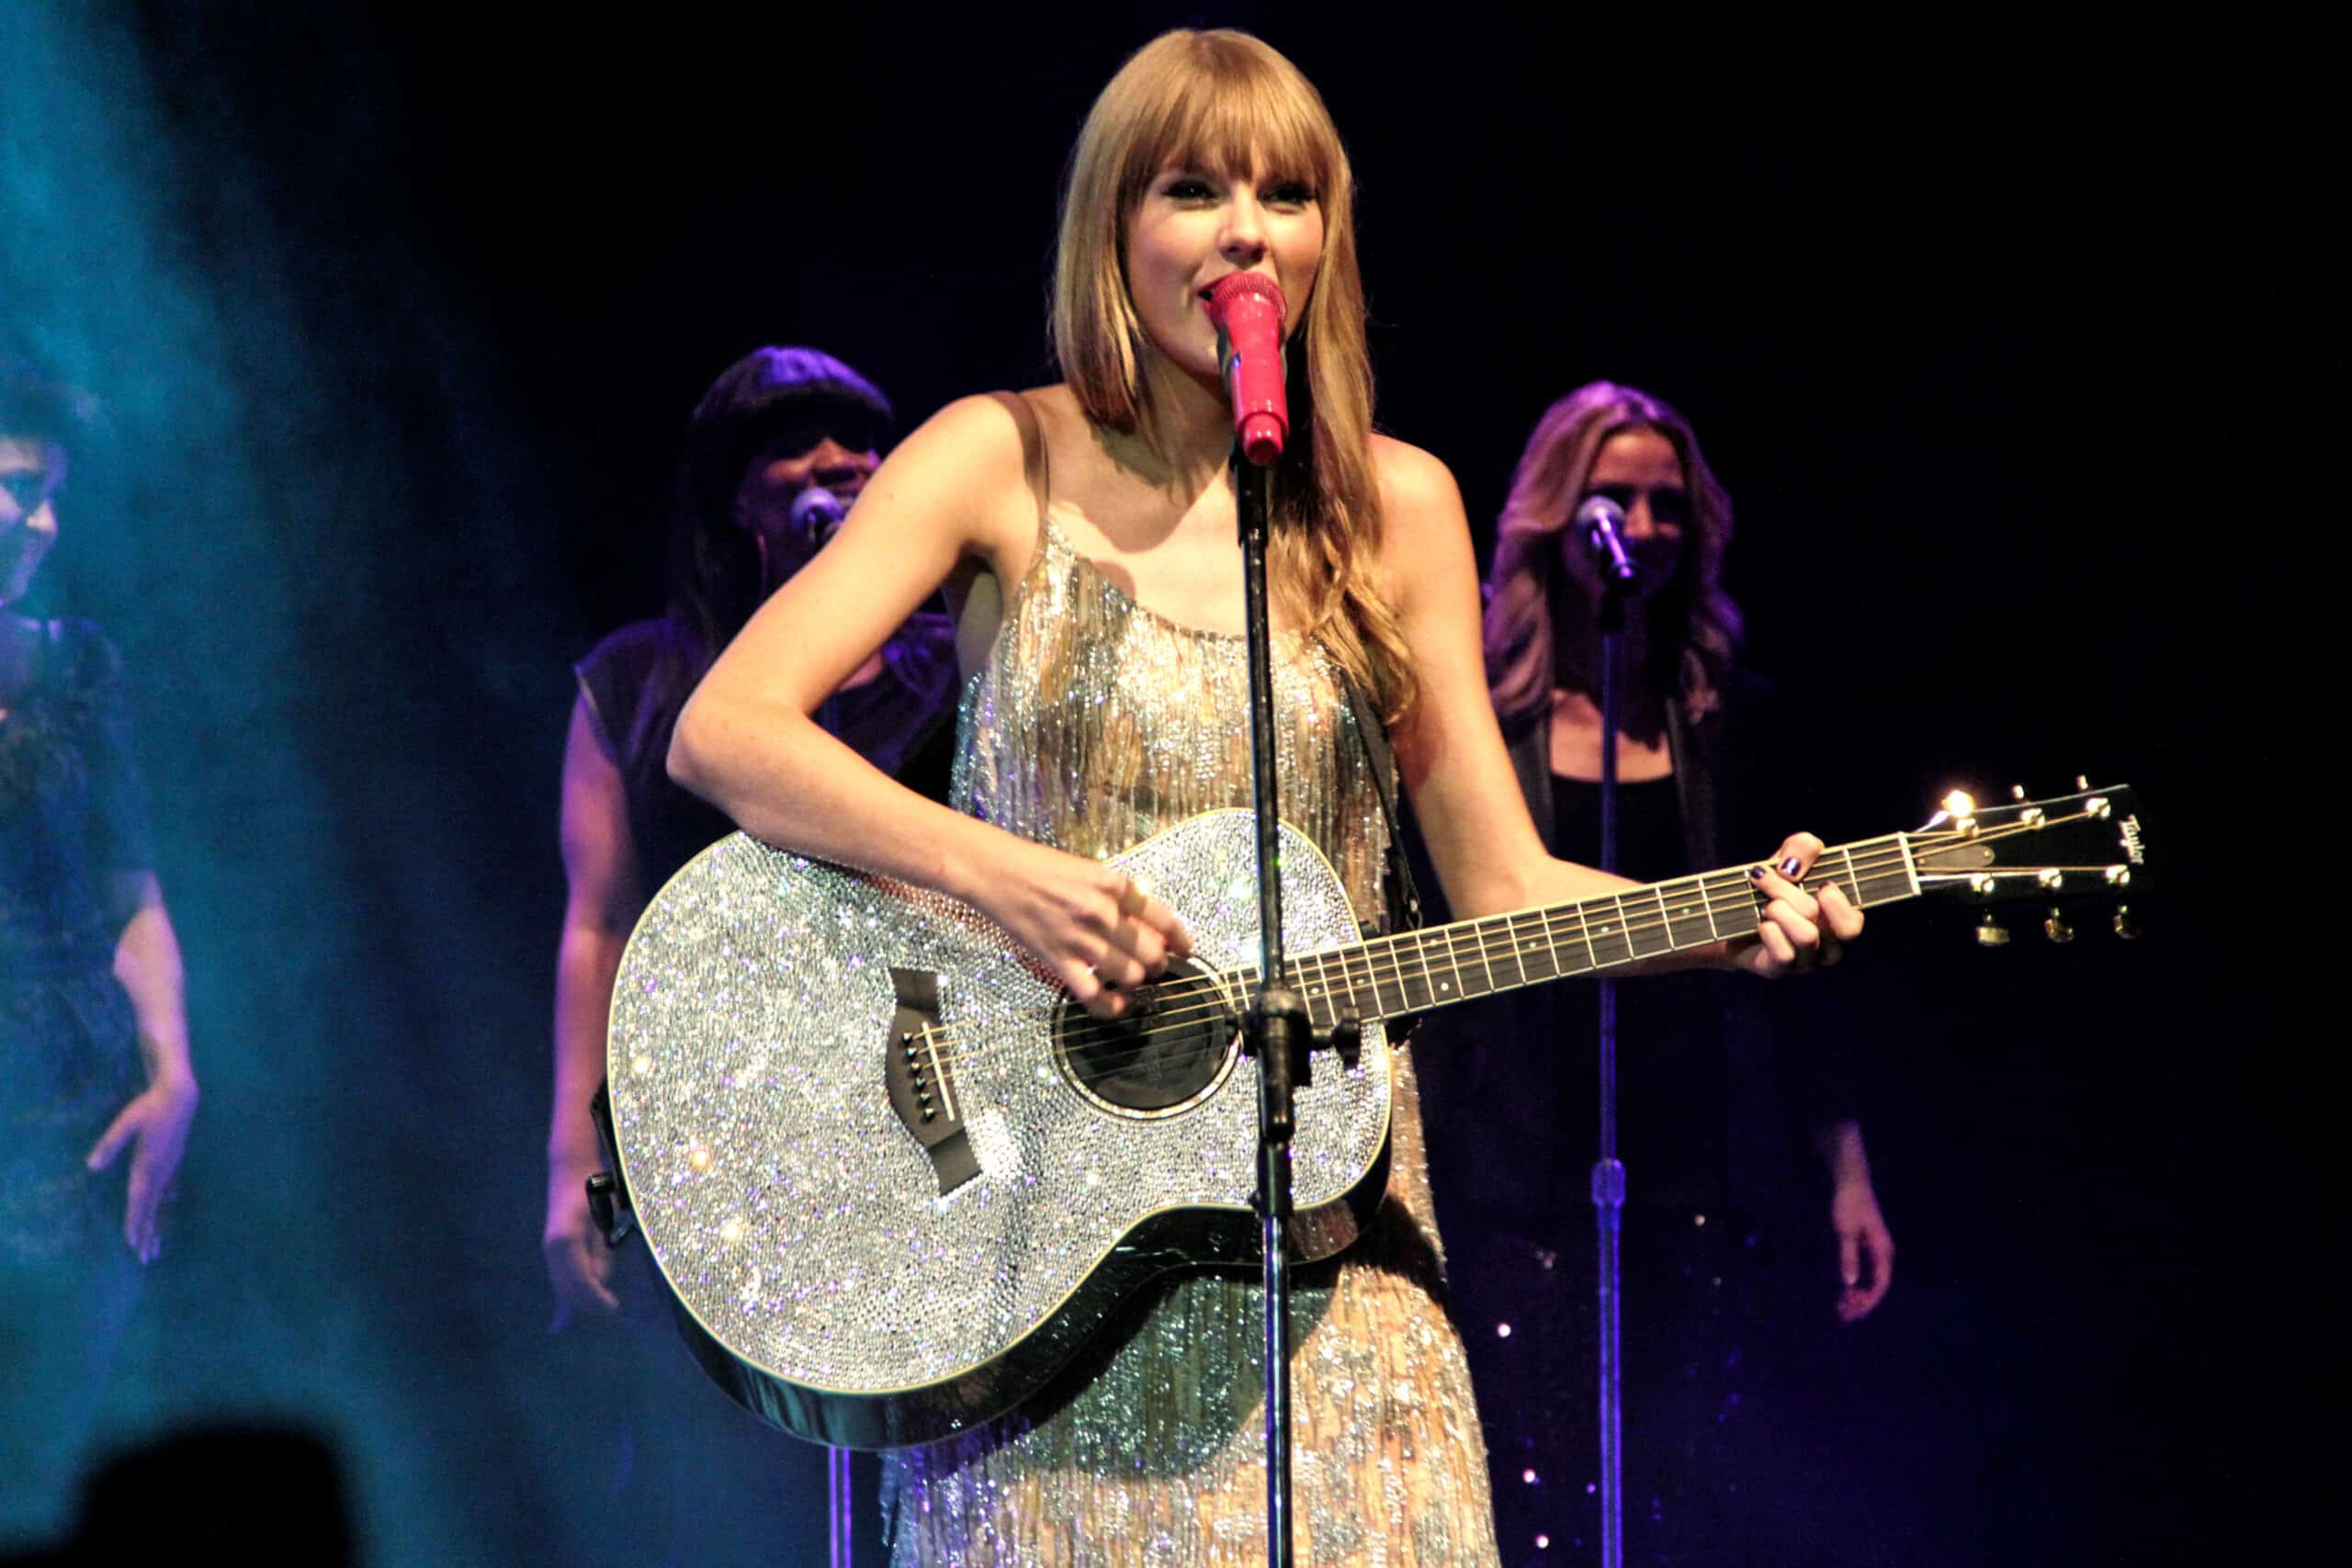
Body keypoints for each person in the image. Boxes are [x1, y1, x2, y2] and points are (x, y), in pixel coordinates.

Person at [665, 31, 1864, 1566]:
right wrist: (1004, 879)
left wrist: (1734, 924)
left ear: (1325, 241)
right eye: (1194, 188)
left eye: (1285, 195)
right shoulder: (995, 455)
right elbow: (731, 731)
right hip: (1039, 1262)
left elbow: (1501, 887)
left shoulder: (1399, 505)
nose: (1246, 229)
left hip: (1343, 1267)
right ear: (1116, 228)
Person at [1420, 380, 1896, 1563]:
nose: (1640, 524)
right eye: (1613, 496)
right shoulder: (1475, 716)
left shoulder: (1729, 718)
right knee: (1540, 1482)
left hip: (1696, 1137)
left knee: (1686, 1477)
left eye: (1666, 502)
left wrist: (1847, 1172)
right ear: (1552, 515)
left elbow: (1805, 960)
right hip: (1510, 1146)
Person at [543, 345, 956, 1565]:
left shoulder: (955, 661)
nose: (840, 460)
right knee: (719, 1470)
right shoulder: (640, 678)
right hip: (709, 1118)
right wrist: (573, 1149)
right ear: (736, 493)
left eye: (860, 438)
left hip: (928, 1103)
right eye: (798, 441)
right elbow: (595, 920)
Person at [0, 361, 198, 1546]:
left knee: (43, 1472)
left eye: (57, 492)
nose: (48, 521)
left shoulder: (80, 666)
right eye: (23, 486)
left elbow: (133, 894)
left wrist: (173, 1075)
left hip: (76, 1118)